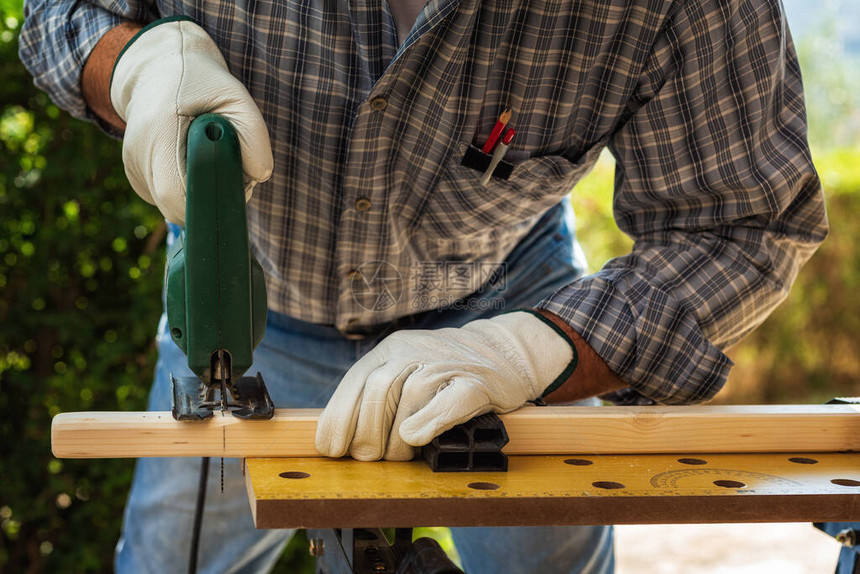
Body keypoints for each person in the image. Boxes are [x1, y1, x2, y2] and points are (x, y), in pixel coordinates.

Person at [20, 0, 827, 572]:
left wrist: (537, 349)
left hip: (503, 308)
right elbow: (58, 13)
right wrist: (131, 63)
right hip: (249, 323)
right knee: (167, 562)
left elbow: (743, 225)